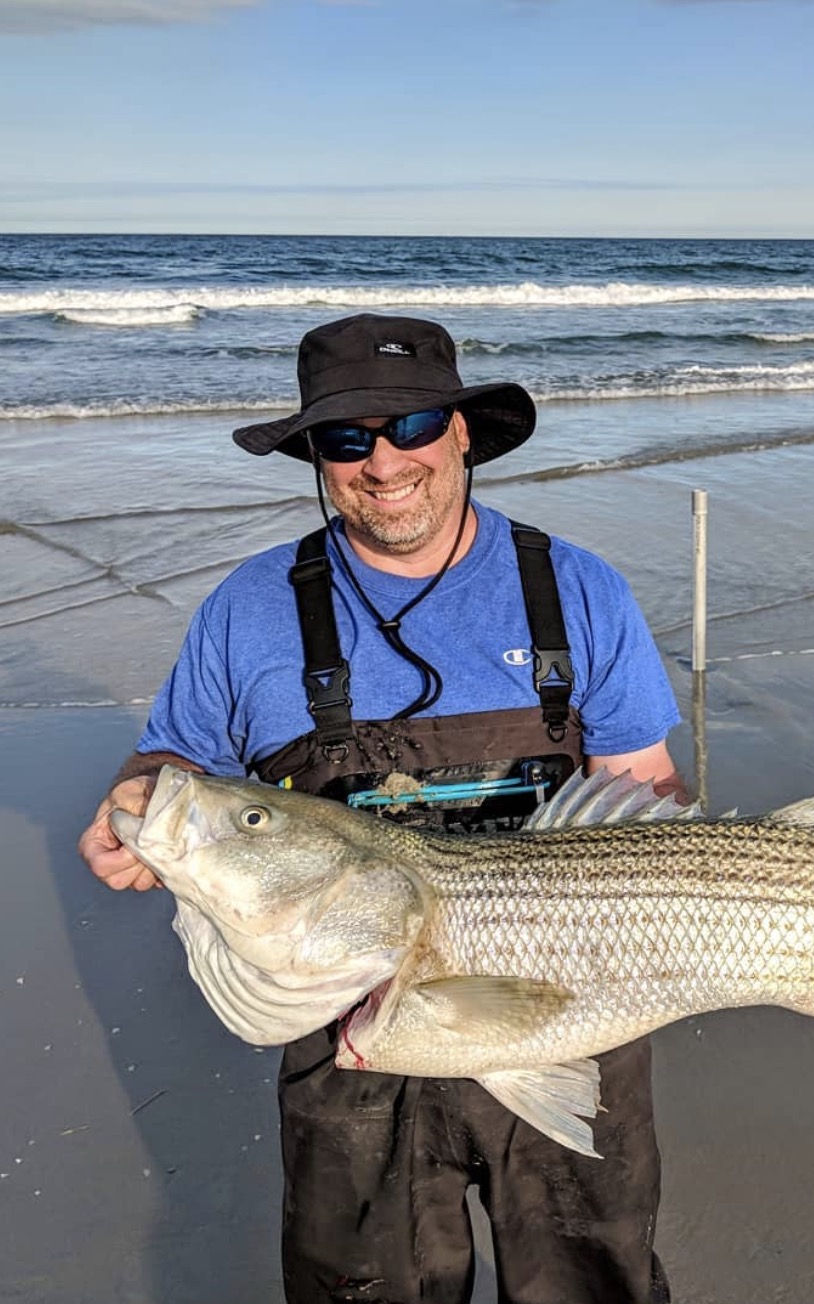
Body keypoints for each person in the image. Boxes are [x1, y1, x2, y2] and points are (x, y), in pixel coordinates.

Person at [78, 313, 684, 1304]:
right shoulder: (251, 604)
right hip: (344, 1024)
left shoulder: (577, 588)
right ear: (318, 454)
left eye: (408, 426)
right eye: (347, 437)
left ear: (462, 433)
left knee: (592, 1281)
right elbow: (181, 759)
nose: (383, 461)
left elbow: (648, 792)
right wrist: (136, 796)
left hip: (566, 1007)